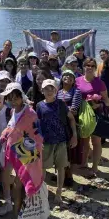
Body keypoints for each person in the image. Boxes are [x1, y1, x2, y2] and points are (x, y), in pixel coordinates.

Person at [0, 83, 43, 219]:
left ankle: (18, 214)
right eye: (9, 98)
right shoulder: (12, 111)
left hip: (26, 152)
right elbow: (12, 126)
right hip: (13, 150)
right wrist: (7, 132)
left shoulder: (30, 113)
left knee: (20, 183)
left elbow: (37, 136)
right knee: (15, 182)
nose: (12, 100)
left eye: (15, 97)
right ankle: (19, 211)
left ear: (21, 96)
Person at [38, 79, 77, 207]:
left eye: (52, 89)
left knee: (61, 168)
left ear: (56, 91)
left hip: (61, 141)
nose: (49, 91)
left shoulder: (61, 104)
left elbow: (71, 119)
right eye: (46, 89)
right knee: (43, 169)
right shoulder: (39, 106)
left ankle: (59, 193)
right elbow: (36, 125)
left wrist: (74, 136)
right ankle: (42, 193)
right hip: (46, 142)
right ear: (41, 90)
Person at [75, 58, 108, 178]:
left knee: (96, 141)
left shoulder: (100, 82)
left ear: (95, 68)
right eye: (87, 65)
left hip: (96, 115)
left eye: (92, 65)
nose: (90, 67)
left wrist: (98, 104)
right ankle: (84, 164)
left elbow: (106, 100)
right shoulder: (77, 80)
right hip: (81, 115)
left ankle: (95, 166)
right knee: (84, 141)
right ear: (83, 66)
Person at [57, 70, 82, 184]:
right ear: (62, 79)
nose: (68, 77)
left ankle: (69, 176)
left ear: (74, 81)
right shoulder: (58, 91)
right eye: (65, 75)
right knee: (60, 151)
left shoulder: (76, 92)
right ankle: (62, 174)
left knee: (70, 151)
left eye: (71, 76)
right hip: (59, 124)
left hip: (70, 125)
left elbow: (74, 110)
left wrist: (61, 110)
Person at [23, 29, 94, 55]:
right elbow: (36, 38)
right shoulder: (47, 43)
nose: (54, 36)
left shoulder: (63, 43)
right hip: (51, 60)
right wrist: (28, 33)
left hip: (61, 60)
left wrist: (87, 33)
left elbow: (76, 39)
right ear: (50, 37)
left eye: (55, 35)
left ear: (58, 36)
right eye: (52, 35)